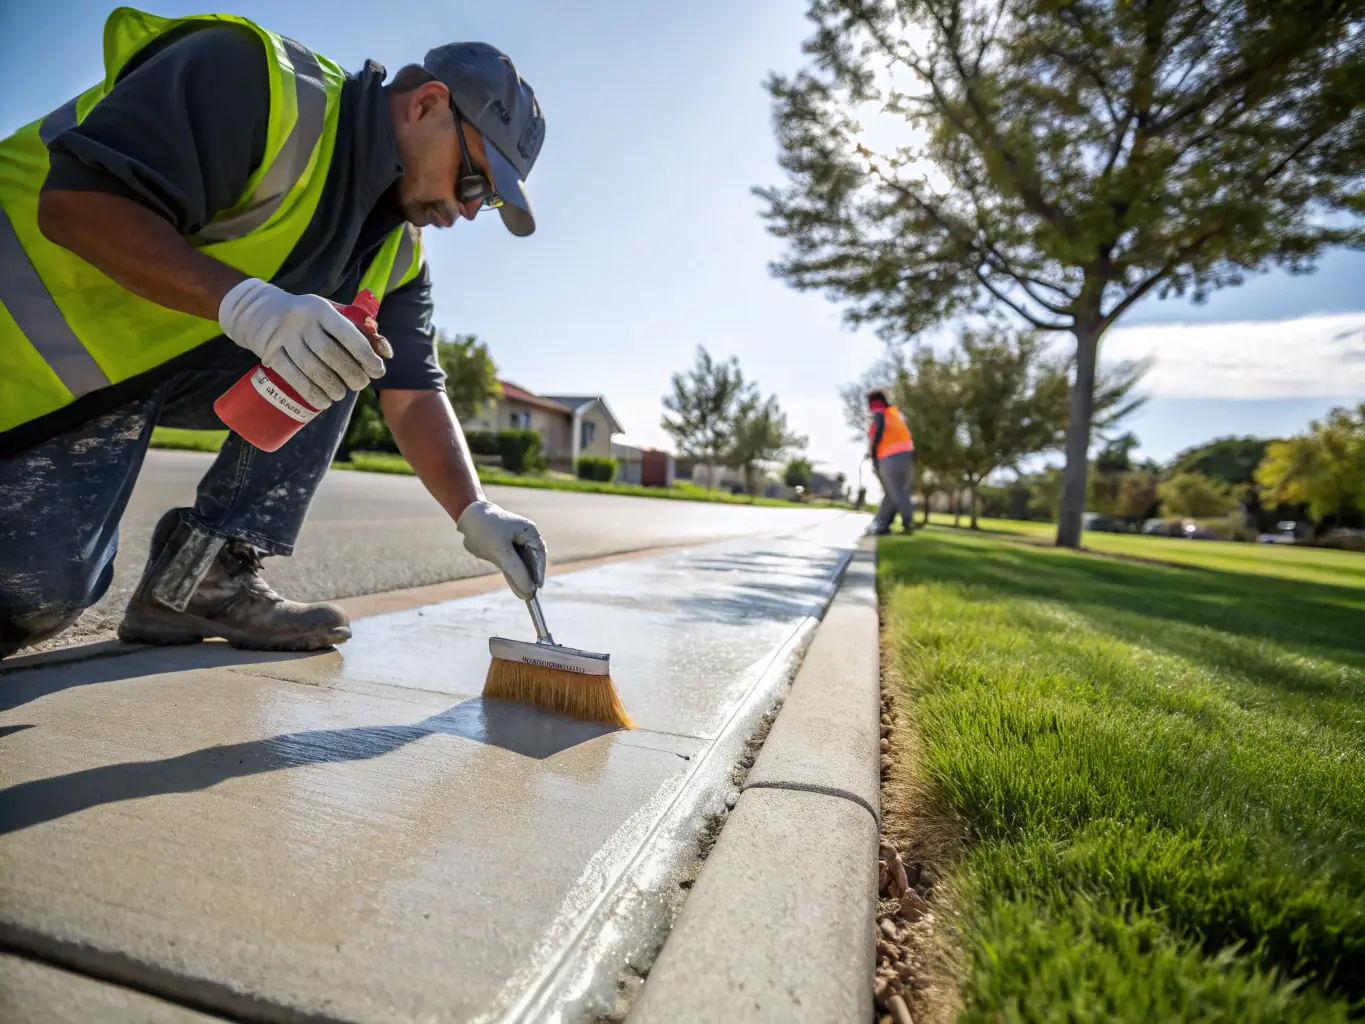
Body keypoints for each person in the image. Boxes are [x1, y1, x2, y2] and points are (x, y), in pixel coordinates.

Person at [0, 9, 550, 658]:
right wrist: (249, 307)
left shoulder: (397, 253)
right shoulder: (257, 83)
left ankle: (197, 580)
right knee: (23, 597)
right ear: (427, 104)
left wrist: (474, 511)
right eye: (473, 181)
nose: (464, 212)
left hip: (107, 378)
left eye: (482, 203)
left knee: (349, 352)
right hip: (22, 356)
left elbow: (412, 390)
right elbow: (75, 206)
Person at [866, 389, 916, 535]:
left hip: (889, 456)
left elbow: (879, 429)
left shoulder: (880, 412)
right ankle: (883, 523)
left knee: (898, 491)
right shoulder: (895, 414)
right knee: (892, 491)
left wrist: (873, 453)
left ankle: (908, 522)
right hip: (906, 455)